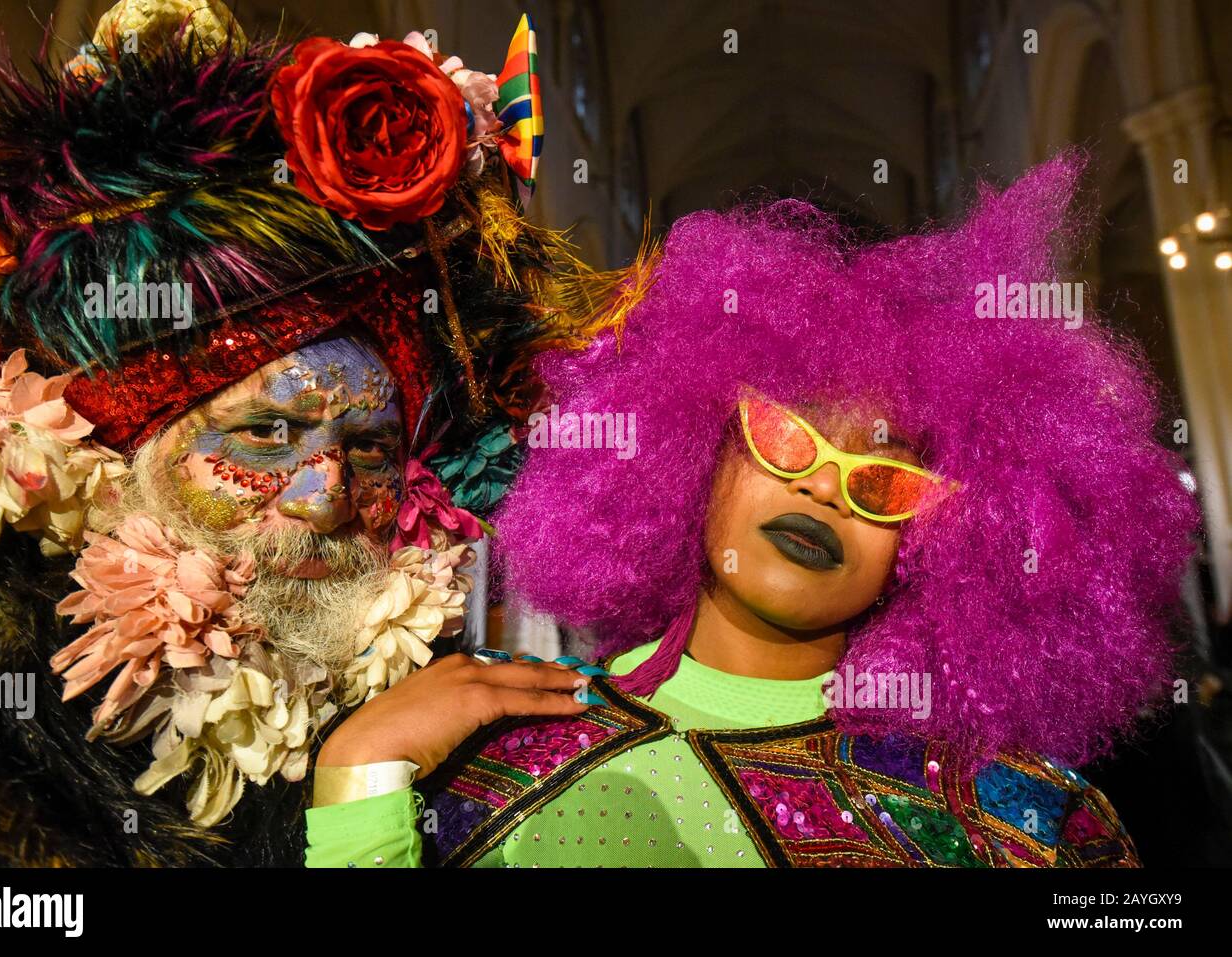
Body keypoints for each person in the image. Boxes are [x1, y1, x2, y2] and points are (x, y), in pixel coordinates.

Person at [305, 153, 1200, 867]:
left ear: (941, 541)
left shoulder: (1026, 824)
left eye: (882, 482)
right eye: (787, 436)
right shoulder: (490, 766)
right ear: (687, 446)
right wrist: (358, 785)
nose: (821, 488)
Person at [0, 0, 611, 866]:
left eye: (369, 449)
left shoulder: (465, 720)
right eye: (263, 434)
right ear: (122, 458)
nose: (327, 494)